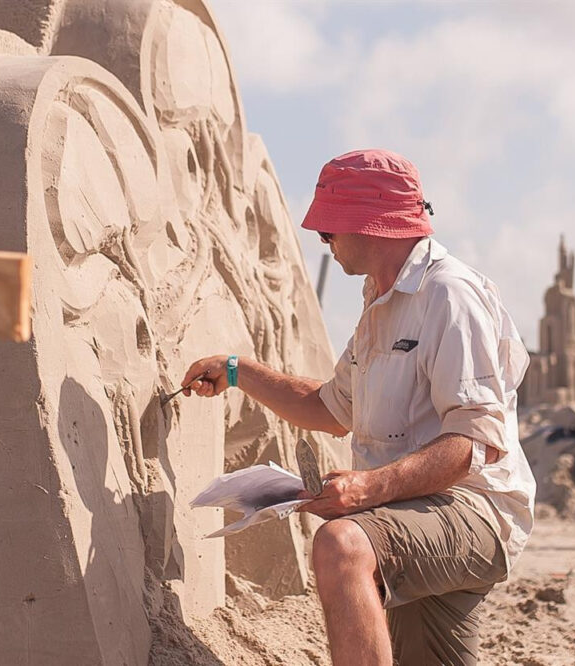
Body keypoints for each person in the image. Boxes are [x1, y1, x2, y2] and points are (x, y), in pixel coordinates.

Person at [181, 149, 536, 665]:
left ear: (367, 224)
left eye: (327, 233)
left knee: (341, 546)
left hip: (473, 510)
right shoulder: (379, 300)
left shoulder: (449, 296)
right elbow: (330, 406)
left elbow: (474, 443)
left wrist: (365, 488)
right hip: (407, 514)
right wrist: (238, 371)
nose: (324, 245)